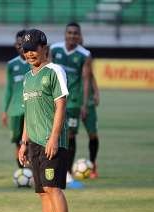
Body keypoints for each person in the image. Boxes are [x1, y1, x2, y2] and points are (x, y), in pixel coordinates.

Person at [18, 29, 73, 212]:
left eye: (34, 49)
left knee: (53, 188)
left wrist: (53, 138)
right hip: (34, 144)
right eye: (26, 50)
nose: (30, 53)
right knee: (42, 191)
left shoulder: (54, 71)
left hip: (53, 141)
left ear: (44, 47)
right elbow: (28, 113)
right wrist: (23, 143)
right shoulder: (27, 77)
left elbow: (61, 105)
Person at [49, 22, 92, 183]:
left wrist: (84, 103)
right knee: (53, 133)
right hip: (55, 99)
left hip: (73, 101)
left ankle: (66, 172)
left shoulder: (85, 54)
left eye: (75, 33)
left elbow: (86, 80)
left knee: (70, 136)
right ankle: (51, 167)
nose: (72, 35)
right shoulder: (55, 49)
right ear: (65, 34)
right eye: (70, 33)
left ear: (79, 36)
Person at [2, 30, 31, 169]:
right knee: (17, 142)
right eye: (19, 44)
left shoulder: (35, 62)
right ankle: (22, 171)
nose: (21, 47)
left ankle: (32, 170)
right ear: (15, 45)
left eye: (24, 44)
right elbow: (8, 89)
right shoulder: (11, 64)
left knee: (30, 142)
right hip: (14, 110)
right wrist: (4, 111)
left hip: (31, 109)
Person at [79, 35, 100, 178]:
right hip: (72, 98)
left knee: (92, 134)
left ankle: (92, 164)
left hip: (88, 100)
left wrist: (97, 92)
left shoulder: (85, 56)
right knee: (69, 136)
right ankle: (66, 168)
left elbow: (90, 75)